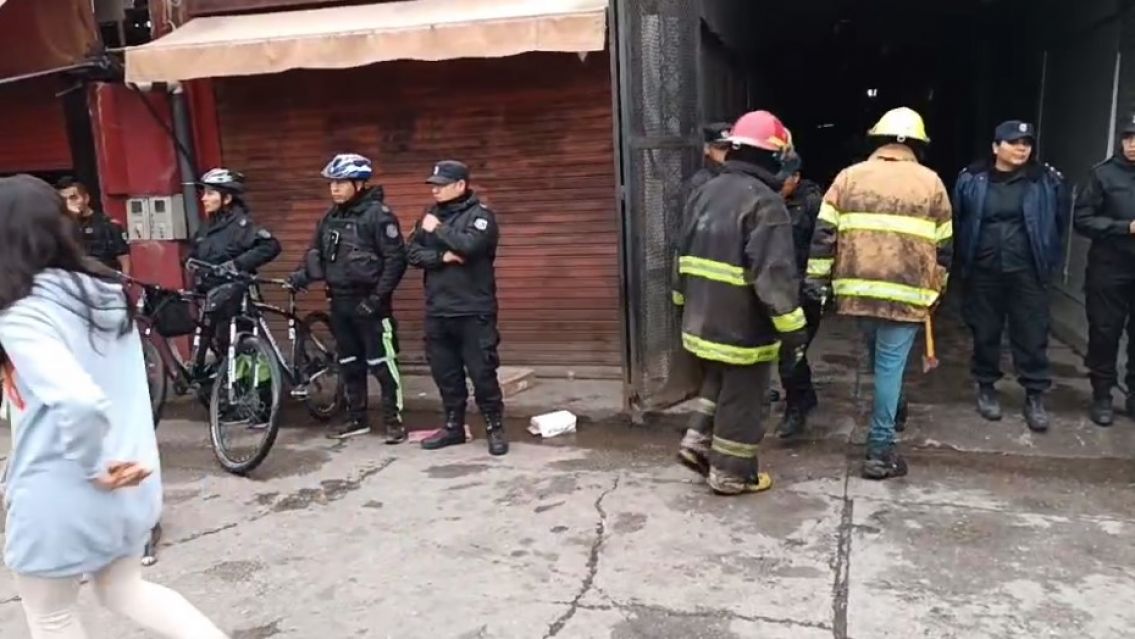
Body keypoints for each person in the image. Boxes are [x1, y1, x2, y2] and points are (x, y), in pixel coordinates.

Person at [0, 174, 227, 638]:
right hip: (135, 477)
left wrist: (92, 467)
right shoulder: (104, 293)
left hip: (63, 486)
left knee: (51, 616)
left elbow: (78, 399)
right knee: (125, 591)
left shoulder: (21, 312)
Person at [806, 107, 952, 480]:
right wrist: (938, 289)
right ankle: (880, 449)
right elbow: (944, 246)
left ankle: (895, 405)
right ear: (918, 144)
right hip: (908, 293)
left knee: (881, 360)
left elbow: (824, 235)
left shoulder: (849, 177)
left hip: (858, 291)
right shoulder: (931, 183)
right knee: (890, 366)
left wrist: (817, 282)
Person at [672, 110, 808, 495]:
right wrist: (794, 330)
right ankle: (731, 474)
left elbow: (679, 254)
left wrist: (682, 304)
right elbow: (775, 278)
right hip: (742, 326)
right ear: (773, 156)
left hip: (700, 318)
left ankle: (698, 442)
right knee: (745, 398)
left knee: (719, 378)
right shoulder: (767, 204)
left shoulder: (705, 191)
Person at [954, 120, 1067, 432]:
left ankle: (1034, 395)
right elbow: (959, 219)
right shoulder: (971, 179)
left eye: (1026, 144)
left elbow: (1058, 223)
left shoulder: (1045, 180)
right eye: (1014, 142)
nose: (1021, 149)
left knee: (1032, 333)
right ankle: (986, 387)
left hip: (1027, 270)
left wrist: (1048, 260)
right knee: (985, 331)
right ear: (995, 147)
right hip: (984, 269)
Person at [287, 154, 408, 442]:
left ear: (359, 183)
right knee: (350, 363)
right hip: (339, 303)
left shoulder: (378, 215)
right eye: (332, 183)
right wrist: (299, 277)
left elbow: (396, 261)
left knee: (382, 363)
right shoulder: (330, 217)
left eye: (341, 183)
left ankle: (393, 421)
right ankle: (357, 418)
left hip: (371, 305)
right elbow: (316, 254)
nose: (335, 188)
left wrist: (377, 299)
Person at [407, 160, 508, 456]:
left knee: (482, 373)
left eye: (441, 185)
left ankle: (494, 428)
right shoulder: (429, 215)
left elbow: (470, 246)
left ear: (461, 185)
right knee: (446, 374)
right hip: (438, 310)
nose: (435, 190)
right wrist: (442, 258)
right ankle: (453, 427)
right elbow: (411, 252)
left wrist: (438, 230)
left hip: (473, 310)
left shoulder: (481, 216)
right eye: (433, 185)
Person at [1074, 114, 1135, 426]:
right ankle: (1102, 395)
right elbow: (1082, 219)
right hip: (1110, 267)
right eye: (1128, 138)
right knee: (1104, 333)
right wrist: (1125, 227)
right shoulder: (1103, 174)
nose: (1133, 144)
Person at [189, 169, 281, 372]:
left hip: (236, 299)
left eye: (210, 193)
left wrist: (237, 264)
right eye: (204, 193)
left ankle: (257, 386)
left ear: (227, 198)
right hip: (209, 298)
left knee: (238, 347)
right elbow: (195, 253)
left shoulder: (242, 225)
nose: (204, 198)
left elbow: (270, 246)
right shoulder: (206, 227)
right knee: (208, 349)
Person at [774, 150, 825, 438]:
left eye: (783, 179)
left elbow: (825, 245)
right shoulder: (766, 198)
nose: (778, 184)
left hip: (804, 291)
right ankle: (804, 397)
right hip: (776, 289)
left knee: (791, 352)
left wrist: (817, 287)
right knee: (787, 351)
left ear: (796, 177)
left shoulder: (812, 203)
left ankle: (796, 410)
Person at [56, 176, 131, 274]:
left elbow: (123, 257)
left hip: (104, 277)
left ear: (86, 198)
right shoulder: (61, 226)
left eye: (73, 198)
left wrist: (124, 280)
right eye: (64, 200)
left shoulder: (107, 224)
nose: (69, 203)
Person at [683, 122, 733, 202]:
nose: (727, 152)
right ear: (707, 149)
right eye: (722, 148)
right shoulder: (700, 182)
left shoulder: (742, 176)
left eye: (731, 148)